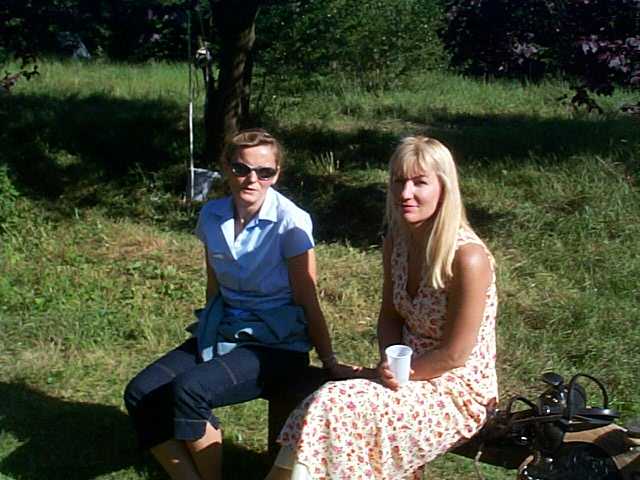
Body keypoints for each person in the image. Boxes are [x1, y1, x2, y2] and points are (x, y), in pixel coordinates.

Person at [124, 128, 358, 480]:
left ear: (276, 174)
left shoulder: (291, 223)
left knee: (190, 390)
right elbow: (214, 285)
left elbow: (307, 298)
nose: (252, 179)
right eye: (242, 168)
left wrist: (329, 361)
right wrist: (206, 334)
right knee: (140, 392)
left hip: (277, 345)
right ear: (226, 167)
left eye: (265, 172)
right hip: (226, 331)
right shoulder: (212, 216)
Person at [267, 136, 498, 480]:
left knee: (336, 404)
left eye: (420, 183)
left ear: (444, 188)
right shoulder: (397, 242)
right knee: (331, 403)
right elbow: (390, 314)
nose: (405, 193)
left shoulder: (468, 258)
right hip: (404, 374)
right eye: (398, 181)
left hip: (456, 389)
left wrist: (400, 373)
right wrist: (390, 362)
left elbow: (455, 354)